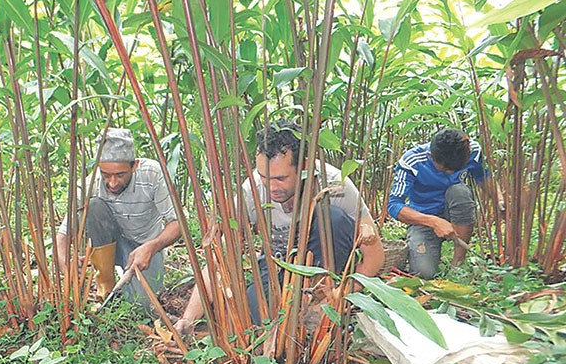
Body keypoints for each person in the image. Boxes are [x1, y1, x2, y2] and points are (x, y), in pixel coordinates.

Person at [175, 121, 384, 332]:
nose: (271, 187)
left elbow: (375, 257)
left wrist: (341, 293)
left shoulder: (336, 186)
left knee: (333, 217)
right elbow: (221, 259)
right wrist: (188, 318)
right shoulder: (253, 191)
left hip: (324, 272)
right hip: (277, 267)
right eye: (264, 177)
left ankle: (320, 312)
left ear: (304, 167)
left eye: (281, 178)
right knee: (260, 322)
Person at [56, 127, 181, 305]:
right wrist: (66, 266)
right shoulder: (90, 183)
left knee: (141, 306)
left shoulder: (152, 174)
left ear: (134, 165)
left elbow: (176, 224)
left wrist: (152, 247)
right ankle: (106, 285)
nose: (112, 183)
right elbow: (62, 235)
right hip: (112, 246)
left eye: (120, 175)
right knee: (94, 206)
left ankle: (127, 290)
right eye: (106, 175)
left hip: (146, 250)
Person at [387, 127, 500, 279]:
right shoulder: (412, 162)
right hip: (424, 218)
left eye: (456, 169)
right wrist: (433, 221)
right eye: (445, 170)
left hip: (455, 209)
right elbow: (394, 205)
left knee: (459, 191)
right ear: (430, 156)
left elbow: (483, 176)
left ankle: (458, 263)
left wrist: (500, 200)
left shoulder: (471, 151)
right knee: (424, 273)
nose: (451, 174)